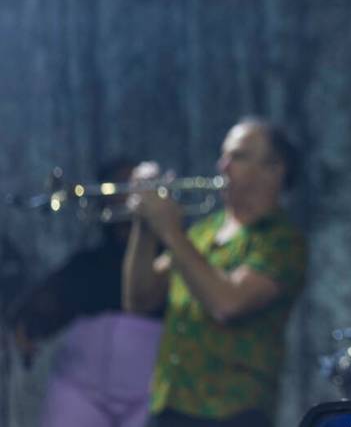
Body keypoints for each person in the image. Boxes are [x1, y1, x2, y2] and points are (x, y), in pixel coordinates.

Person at [123, 118, 307, 427]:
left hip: (233, 414)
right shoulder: (203, 233)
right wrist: (145, 226)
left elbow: (228, 303)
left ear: (274, 169)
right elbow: (139, 300)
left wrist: (170, 231)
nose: (222, 165)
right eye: (224, 155)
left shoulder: (282, 241)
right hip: (170, 406)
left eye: (237, 156)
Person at [9, 158, 163, 427]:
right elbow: (43, 304)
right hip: (80, 389)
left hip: (150, 387)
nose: (128, 195)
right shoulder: (88, 264)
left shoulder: (170, 257)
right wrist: (25, 326)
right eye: (120, 187)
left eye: (136, 186)